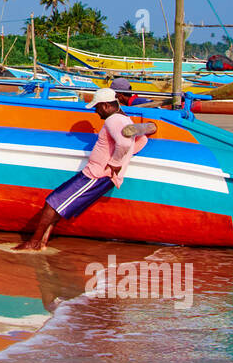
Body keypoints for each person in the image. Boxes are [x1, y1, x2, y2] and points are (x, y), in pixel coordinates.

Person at [14, 87, 157, 251]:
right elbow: (141, 140)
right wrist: (121, 159)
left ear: (105, 106)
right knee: (57, 205)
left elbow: (124, 143)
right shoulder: (125, 120)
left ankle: (33, 243)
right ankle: (42, 243)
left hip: (95, 175)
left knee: (51, 204)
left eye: (97, 107)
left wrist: (116, 162)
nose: (96, 112)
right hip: (97, 174)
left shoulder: (113, 120)